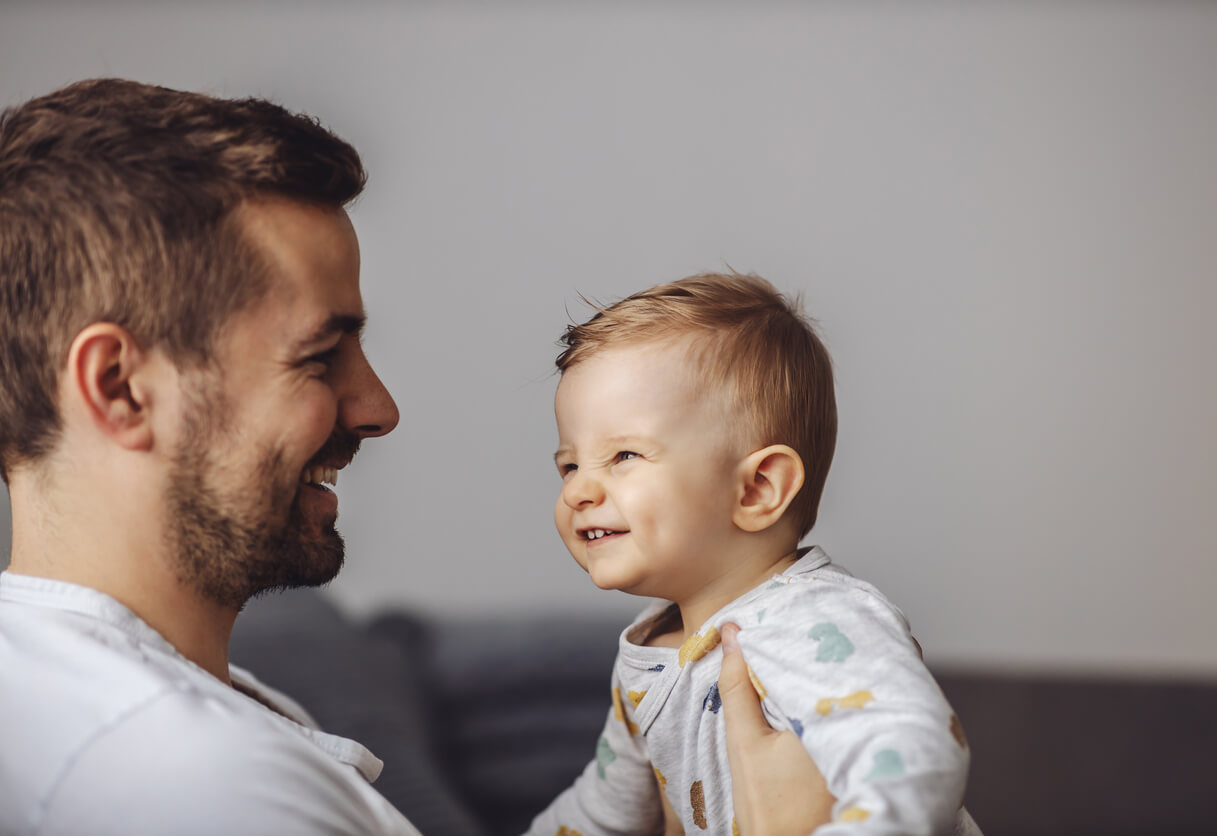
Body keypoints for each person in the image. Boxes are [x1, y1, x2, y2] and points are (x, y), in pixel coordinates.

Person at [0, 79, 850, 836]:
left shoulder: (72, 680)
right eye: (319, 356)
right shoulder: (203, 789)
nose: (380, 410)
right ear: (119, 387)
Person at [529, 274, 975, 835]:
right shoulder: (647, 652)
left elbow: (914, 757)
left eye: (623, 455)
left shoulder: (816, 620)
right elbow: (600, 814)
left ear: (757, 489)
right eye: (569, 465)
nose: (577, 491)